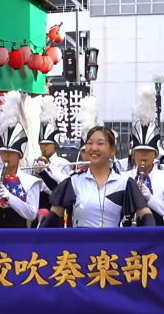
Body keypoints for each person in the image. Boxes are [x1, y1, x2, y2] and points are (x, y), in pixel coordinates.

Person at [40, 96, 156, 228]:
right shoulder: (73, 182)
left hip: (112, 241)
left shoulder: (125, 183)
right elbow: (52, 219)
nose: (94, 148)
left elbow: (146, 217)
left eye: (100, 143)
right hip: (79, 241)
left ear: (112, 150)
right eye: (89, 143)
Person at [0, 91, 41, 228]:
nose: (6, 156)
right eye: (4, 152)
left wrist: (10, 197)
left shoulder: (30, 181)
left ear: (19, 155)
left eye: (11, 153)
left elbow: (32, 214)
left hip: (18, 234)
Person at [126, 86, 164, 225]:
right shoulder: (125, 177)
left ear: (155, 153)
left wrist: (150, 199)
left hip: (158, 232)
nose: (144, 154)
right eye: (139, 150)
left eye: (148, 151)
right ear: (133, 153)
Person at [34, 95, 72, 211]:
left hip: (55, 204)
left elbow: (63, 186)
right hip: (37, 202)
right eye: (41, 144)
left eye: (47, 144)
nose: (43, 146)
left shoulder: (63, 163)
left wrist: (48, 171)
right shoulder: (34, 161)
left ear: (55, 144)